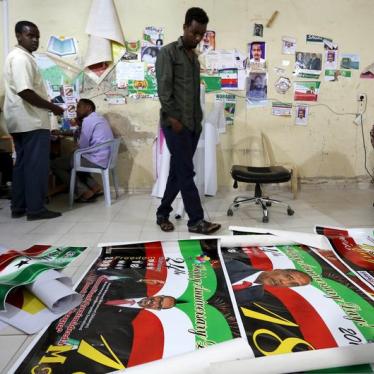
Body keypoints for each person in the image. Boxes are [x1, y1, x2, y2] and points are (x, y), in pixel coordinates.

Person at [155, 7, 221, 235]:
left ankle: (162, 212)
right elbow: (164, 91)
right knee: (186, 172)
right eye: (194, 32)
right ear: (184, 27)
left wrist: (197, 122)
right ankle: (196, 220)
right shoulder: (168, 53)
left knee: (177, 171)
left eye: (201, 34)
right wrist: (174, 120)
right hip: (175, 125)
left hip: (192, 125)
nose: (197, 37)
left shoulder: (193, 58)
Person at [3, 21, 64, 220]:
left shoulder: (16, 57)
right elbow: (25, 91)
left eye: (37, 36)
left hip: (18, 120)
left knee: (21, 165)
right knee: (36, 167)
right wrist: (53, 107)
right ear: (19, 36)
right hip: (31, 121)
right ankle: (36, 209)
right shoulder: (21, 58)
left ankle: (18, 207)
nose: (35, 40)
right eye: (30, 36)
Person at [51, 99, 114, 202]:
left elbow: (83, 146)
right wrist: (63, 133)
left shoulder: (88, 120)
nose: (76, 110)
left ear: (88, 108)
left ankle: (83, 192)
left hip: (97, 160)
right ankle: (95, 187)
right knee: (75, 160)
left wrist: (74, 150)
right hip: (104, 158)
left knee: (55, 164)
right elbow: (80, 134)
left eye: (79, 107)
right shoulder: (99, 118)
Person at [225, 259, 312, 303]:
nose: (284, 282)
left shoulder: (257, 295)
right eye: (288, 277)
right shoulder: (234, 265)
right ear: (277, 270)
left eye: (293, 284)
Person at [105, 295, 176, 310]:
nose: (156, 302)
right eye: (160, 300)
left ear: (156, 309)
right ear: (159, 295)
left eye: (159, 305)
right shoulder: (136, 285)